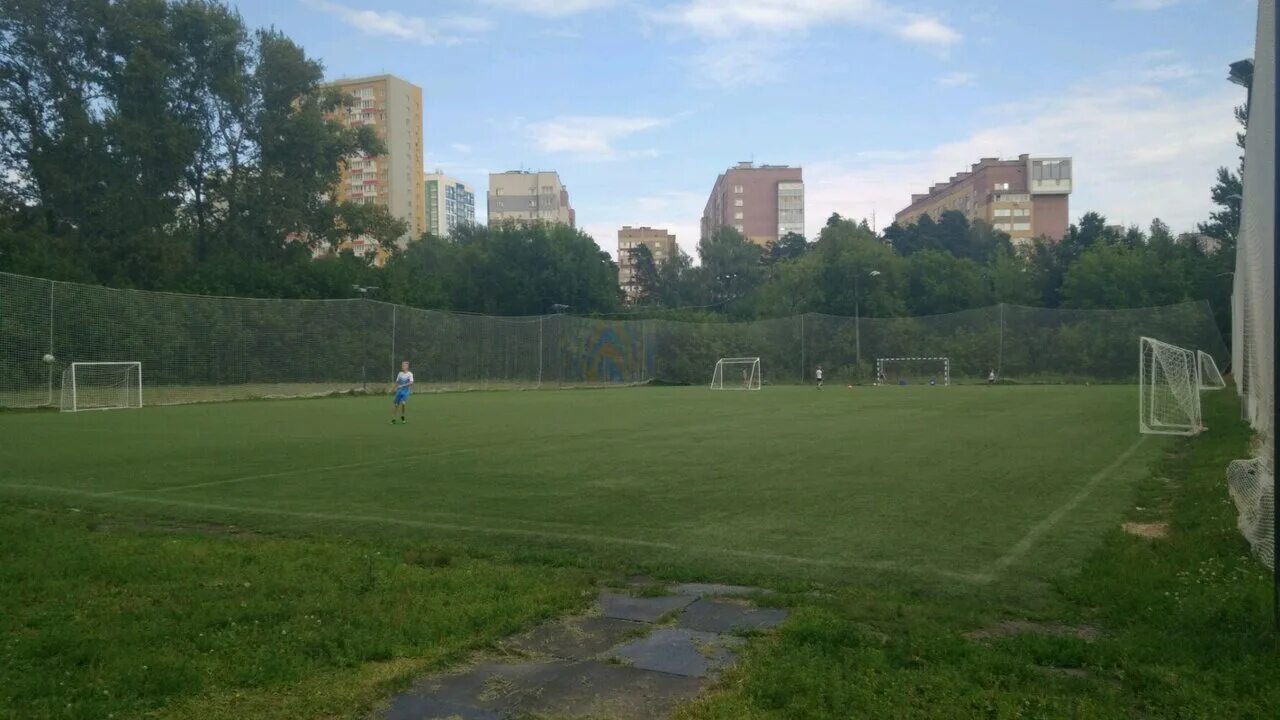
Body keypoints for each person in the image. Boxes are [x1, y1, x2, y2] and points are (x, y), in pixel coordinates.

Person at [391, 360, 414, 424]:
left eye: (404, 365)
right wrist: (393, 389)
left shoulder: (410, 374)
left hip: (406, 391)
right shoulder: (400, 374)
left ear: (407, 366)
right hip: (399, 391)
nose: (402, 366)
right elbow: (397, 382)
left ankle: (402, 416)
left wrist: (402, 385)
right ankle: (393, 419)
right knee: (396, 405)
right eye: (402, 365)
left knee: (403, 403)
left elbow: (411, 382)